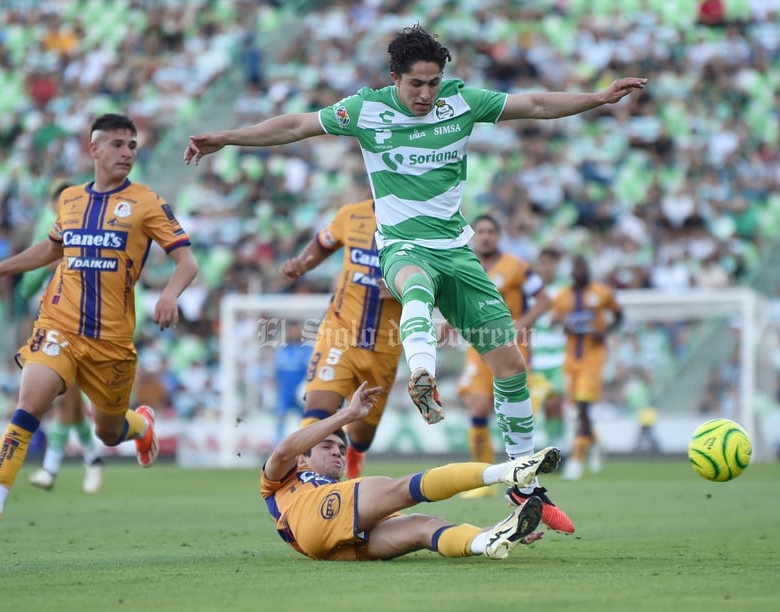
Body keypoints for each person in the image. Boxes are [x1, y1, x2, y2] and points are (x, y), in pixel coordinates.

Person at [185, 23, 646, 531]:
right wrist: (226, 138)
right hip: (403, 245)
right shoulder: (365, 109)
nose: (426, 94)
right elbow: (296, 126)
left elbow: (535, 106)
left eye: (433, 82)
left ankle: (524, 486)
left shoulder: (462, 101)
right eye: (416, 85)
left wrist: (597, 98)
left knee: (510, 360)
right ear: (394, 79)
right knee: (416, 290)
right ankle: (422, 372)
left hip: (456, 250)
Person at [0, 113, 199, 539]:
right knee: (28, 406)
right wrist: (0, 269)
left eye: (131, 145)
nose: (127, 152)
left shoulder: (146, 202)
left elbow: (187, 260)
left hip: (111, 342)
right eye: (117, 144)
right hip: (59, 326)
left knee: (108, 433)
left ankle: (142, 426)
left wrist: (168, 294)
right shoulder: (71, 199)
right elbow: (52, 249)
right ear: (94, 149)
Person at [260, 381, 562, 561]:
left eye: (341, 449)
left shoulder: (340, 493)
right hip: (317, 516)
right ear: (303, 459)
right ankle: (507, 471)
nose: (337, 453)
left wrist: (508, 528)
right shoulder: (283, 477)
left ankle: (488, 542)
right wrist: (348, 415)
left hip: (334, 549)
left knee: (423, 526)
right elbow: (285, 449)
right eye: (328, 447)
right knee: (401, 489)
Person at [279, 199, 402, 478]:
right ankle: (306, 483)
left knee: (361, 435)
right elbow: (324, 243)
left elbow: (441, 276)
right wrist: (303, 263)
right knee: (318, 410)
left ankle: (354, 456)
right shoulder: (351, 215)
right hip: (340, 333)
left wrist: (404, 287)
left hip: (385, 345)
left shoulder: (421, 221)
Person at [455, 214, 552, 500]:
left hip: (511, 348)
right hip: (477, 347)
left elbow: (545, 300)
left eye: (491, 231)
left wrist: (521, 323)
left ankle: (522, 477)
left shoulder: (518, 267)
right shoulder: (464, 265)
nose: (485, 236)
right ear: (474, 237)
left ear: (499, 236)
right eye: (480, 231)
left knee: (510, 415)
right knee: (477, 407)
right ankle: (483, 480)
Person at [19, 180, 104, 494]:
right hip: (53, 322)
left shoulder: (90, 231)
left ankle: (53, 467)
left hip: (86, 327)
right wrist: (49, 267)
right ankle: (89, 461)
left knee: (67, 400)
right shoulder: (52, 232)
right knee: (68, 402)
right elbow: (28, 286)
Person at [550, 254, 623, 481]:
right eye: (576, 268)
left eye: (583, 267)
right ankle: (597, 444)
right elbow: (554, 322)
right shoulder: (563, 296)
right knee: (578, 409)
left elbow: (619, 315)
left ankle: (577, 459)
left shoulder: (601, 292)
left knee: (583, 406)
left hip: (594, 356)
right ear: (571, 272)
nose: (579, 272)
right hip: (572, 358)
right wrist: (565, 325)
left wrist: (606, 331)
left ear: (588, 270)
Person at [528, 247, 569, 451]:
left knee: (554, 405)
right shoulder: (529, 291)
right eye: (543, 262)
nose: (546, 267)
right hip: (535, 359)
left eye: (550, 263)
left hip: (558, 358)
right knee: (534, 407)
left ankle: (558, 446)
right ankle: (531, 450)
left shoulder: (564, 289)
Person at [272, 320, 314, 446]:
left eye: (296, 329)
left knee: (306, 419)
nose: (294, 332)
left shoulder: (306, 349)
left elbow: (309, 370)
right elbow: (277, 371)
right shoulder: (282, 349)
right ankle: (277, 447)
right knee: (280, 416)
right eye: (291, 329)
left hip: (299, 391)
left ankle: (308, 445)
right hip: (285, 391)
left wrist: (304, 387)